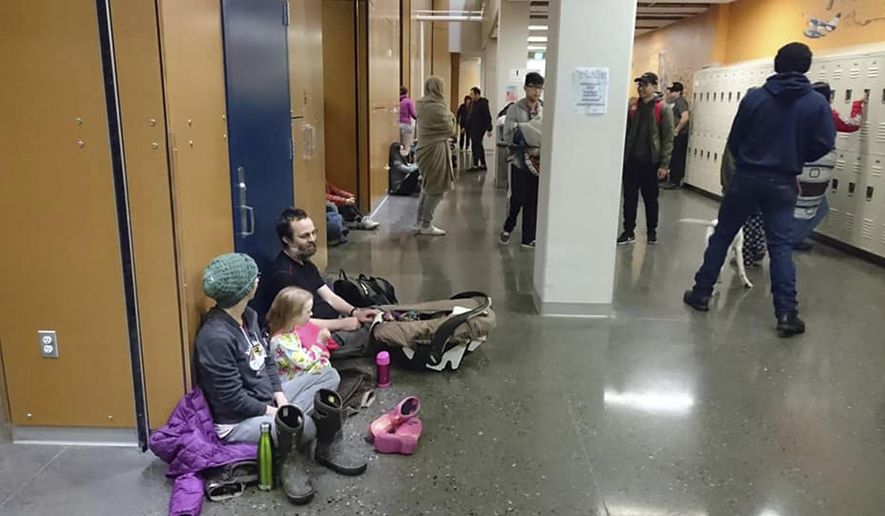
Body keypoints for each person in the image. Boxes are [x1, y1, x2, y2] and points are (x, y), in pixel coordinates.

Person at [683, 42, 835, 337]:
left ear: (777, 64)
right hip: (783, 182)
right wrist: (795, 155)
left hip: (747, 178)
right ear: (806, 66)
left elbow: (735, 139)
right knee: (780, 247)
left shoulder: (756, 98)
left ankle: (701, 293)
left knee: (724, 234)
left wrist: (752, 159)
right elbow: (824, 143)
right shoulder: (816, 103)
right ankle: (787, 315)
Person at [194, 253, 365, 504]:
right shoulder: (215, 339)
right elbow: (232, 401)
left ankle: (325, 445)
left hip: (267, 396)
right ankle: (290, 460)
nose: (258, 281)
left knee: (328, 375)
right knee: (307, 427)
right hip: (240, 419)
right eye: (254, 279)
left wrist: (281, 398)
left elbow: (268, 362)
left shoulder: (248, 317)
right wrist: (276, 413)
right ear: (245, 289)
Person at [258, 208, 380, 349]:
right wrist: (343, 324)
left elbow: (329, 296)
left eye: (313, 233)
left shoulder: (303, 261)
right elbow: (295, 324)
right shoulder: (284, 276)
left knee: (378, 314)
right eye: (304, 236)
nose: (312, 239)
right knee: (378, 333)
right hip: (315, 336)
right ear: (286, 239)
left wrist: (355, 312)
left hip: (332, 322)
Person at [791, 81, 865, 250]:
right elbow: (853, 124)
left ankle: (790, 237)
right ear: (829, 97)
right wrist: (857, 104)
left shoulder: (801, 112)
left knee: (803, 203)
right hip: (819, 165)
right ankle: (792, 239)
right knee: (811, 206)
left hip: (800, 163)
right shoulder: (828, 113)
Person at [618, 72, 675, 245]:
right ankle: (628, 231)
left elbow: (668, 138)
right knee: (629, 198)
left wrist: (664, 164)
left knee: (650, 198)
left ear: (654, 87)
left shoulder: (662, 109)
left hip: (651, 162)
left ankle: (652, 231)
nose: (641, 88)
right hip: (632, 161)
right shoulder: (633, 108)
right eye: (639, 85)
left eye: (645, 85)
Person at [498, 72, 544, 249]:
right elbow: (510, 134)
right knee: (517, 198)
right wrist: (527, 133)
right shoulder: (515, 109)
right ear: (525, 88)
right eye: (533, 87)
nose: (537, 91)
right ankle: (509, 225)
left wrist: (525, 131)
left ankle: (528, 237)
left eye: (540, 88)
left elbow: (545, 135)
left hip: (537, 163)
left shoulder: (543, 109)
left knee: (533, 200)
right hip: (519, 161)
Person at [414, 76, 456, 236]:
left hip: (423, 149)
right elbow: (450, 129)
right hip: (435, 150)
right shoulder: (437, 107)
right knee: (436, 188)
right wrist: (451, 116)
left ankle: (419, 222)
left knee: (427, 186)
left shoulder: (421, 104)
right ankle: (426, 224)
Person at [662, 81, 690, 189]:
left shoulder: (680, 102)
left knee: (677, 157)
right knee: (673, 157)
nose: (669, 92)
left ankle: (675, 180)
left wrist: (676, 130)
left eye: (672, 90)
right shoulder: (674, 102)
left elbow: (685, 117)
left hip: (680, 134)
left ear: (678, 92)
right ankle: (672, 179)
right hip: (675, 134)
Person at [465, 86, 492, 171]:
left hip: (479, 128)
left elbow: (487, 116)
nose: (470, 96)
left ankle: (476, 165)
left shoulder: (483, 103)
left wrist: (489, 128)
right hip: (473, 128)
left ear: (477, 94)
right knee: (477, 146)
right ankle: (482, 164)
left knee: (477, 145)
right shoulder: (473, 104)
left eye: (472, 94)